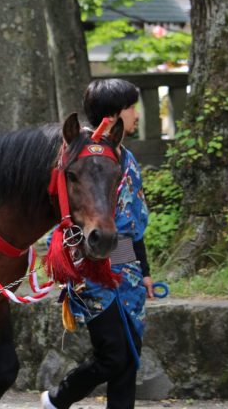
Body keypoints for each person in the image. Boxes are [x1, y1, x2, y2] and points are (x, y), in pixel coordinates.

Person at [41, 78, 154, 409]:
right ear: (116, 114)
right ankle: (59, 398)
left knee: (129, 353)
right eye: (132, 107)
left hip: (126, 262)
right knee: (112, 354)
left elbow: (133, 222)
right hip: (92, 262)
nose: (137, 113)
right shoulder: (83, 155)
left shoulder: (126, 158)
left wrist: (143, 269)